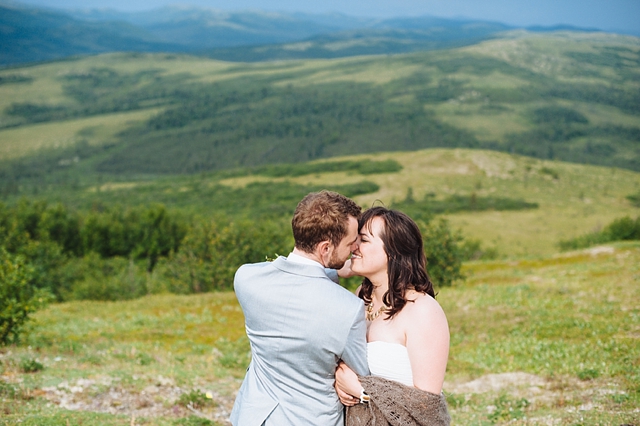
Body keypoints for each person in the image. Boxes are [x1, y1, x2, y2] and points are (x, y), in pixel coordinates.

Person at [230, 190, 370, 426]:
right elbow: (361, 374)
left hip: (254, 417)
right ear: (325, 249)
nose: (354, 247)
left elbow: (298, 281)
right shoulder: (348, 309)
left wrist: (333, 270)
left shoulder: (246, 279)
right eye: (350, 242)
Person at [335, 206, 451, 426]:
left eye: (364, 240)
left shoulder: (422, 309)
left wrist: (362, 391)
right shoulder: (361, 296)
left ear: (393, 252)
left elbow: (427, 408)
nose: (354, 246)